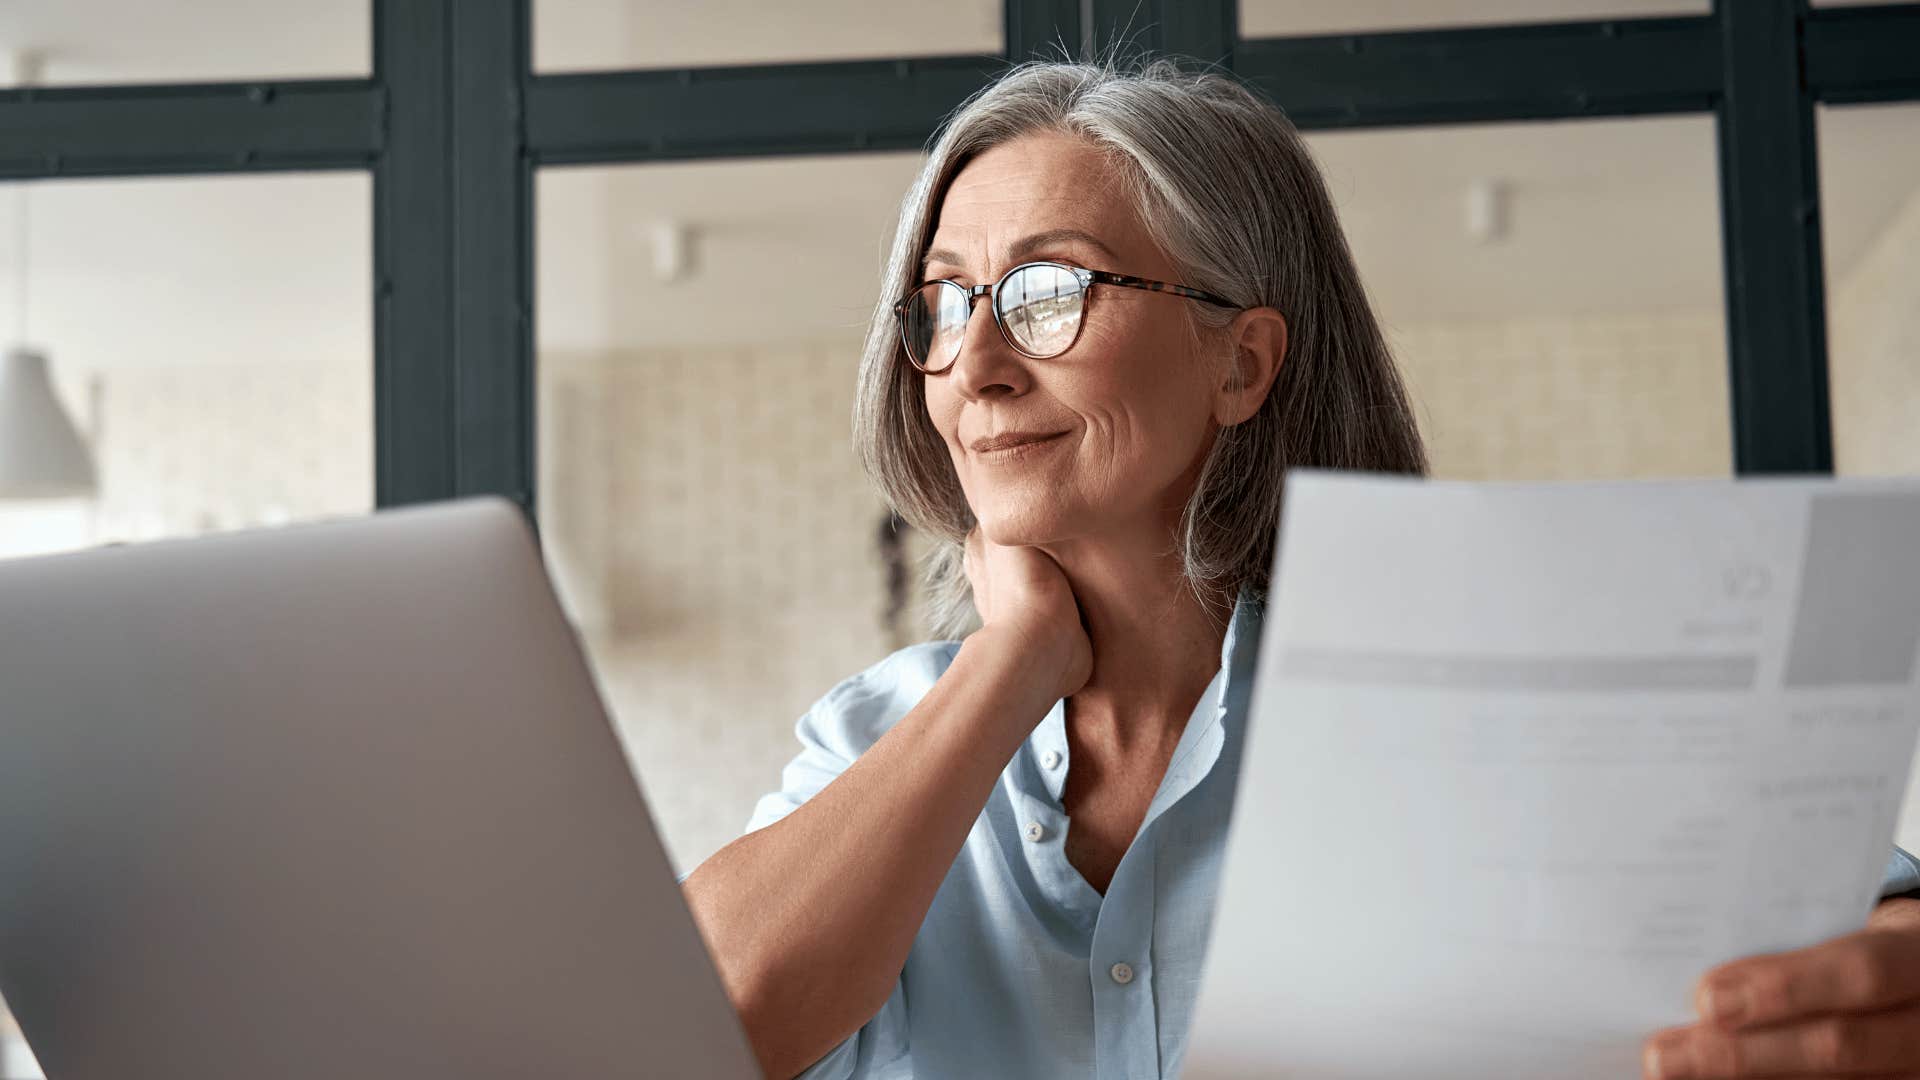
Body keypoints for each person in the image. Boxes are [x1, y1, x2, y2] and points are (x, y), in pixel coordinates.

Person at [681, 60, 1920, 1080]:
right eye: (943, 305)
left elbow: (1861, 929)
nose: (980, 363)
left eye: (1049, 291)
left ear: (1243, 363)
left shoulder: (1469, 701)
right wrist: (1009, 665)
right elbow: (698, 1032)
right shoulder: (872, 740)